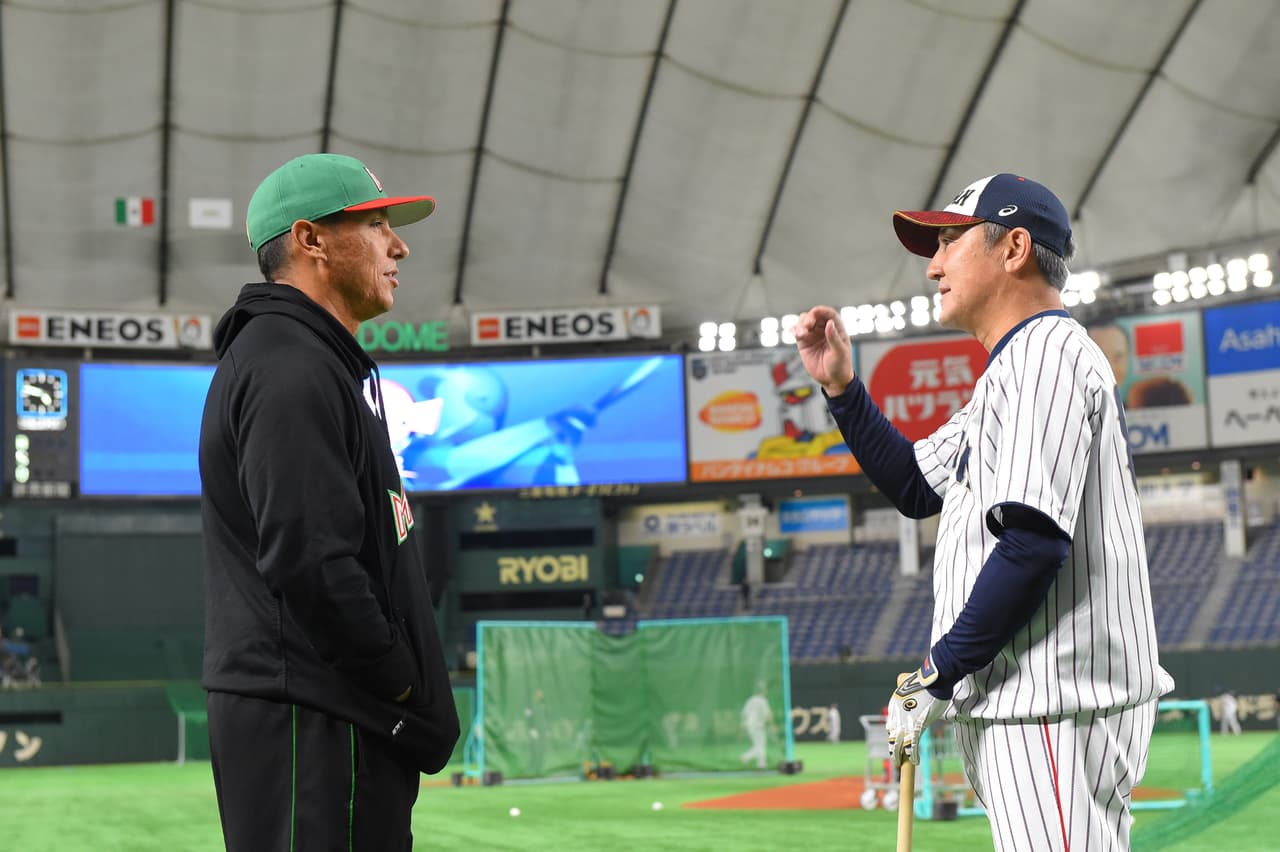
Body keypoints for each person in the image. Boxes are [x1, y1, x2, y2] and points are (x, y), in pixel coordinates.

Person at [794, 173, 1173, 851]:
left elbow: (1032, 544)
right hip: (1030, 704)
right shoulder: (1010, 373)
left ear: (1013, 248)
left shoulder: (1045, 358)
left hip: (1053, 701)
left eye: (948, 241)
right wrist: (843, 389)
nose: (932, 265)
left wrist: (938, 672)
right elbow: (914, 485)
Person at [199, 153, 460, 851]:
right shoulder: (289, 364)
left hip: (324, 716)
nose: (398, 245)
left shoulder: (309, 358)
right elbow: (311, 561)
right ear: (311, 240)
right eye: (376, 225)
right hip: (316, 716)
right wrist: (401, 685)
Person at [739, 683, 774, 769]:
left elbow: (744, 714)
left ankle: (760, 763)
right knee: (760, 745)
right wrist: (772, 725)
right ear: (763, 691)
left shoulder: (750, 700)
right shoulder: (763, 700)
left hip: (750, 726)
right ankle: (748, 758)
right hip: (758, 726)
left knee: (758, 745)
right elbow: (767, 715)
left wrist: (742, 725)